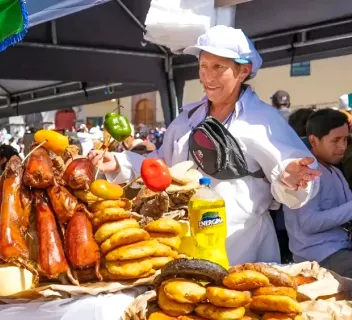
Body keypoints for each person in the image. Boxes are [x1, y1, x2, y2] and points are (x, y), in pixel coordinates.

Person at [88, 25, 321, 265]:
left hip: (242, 248)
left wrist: (291, 180)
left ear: (243, 71)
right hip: (184, 244)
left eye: (218, 67)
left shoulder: (264, 121)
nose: (208, 77)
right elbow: (163, 168)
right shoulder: (187, 119)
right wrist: (120, 163)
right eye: (203, 66)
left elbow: (299, 178)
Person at [283, 109, 352, 277]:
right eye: (335, 140)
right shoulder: (304, 173)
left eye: (345, 139)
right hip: (318, 256)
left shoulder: (335, 171)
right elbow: (308, 223)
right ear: (313, 140)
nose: (342, 146)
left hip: (341, 249)